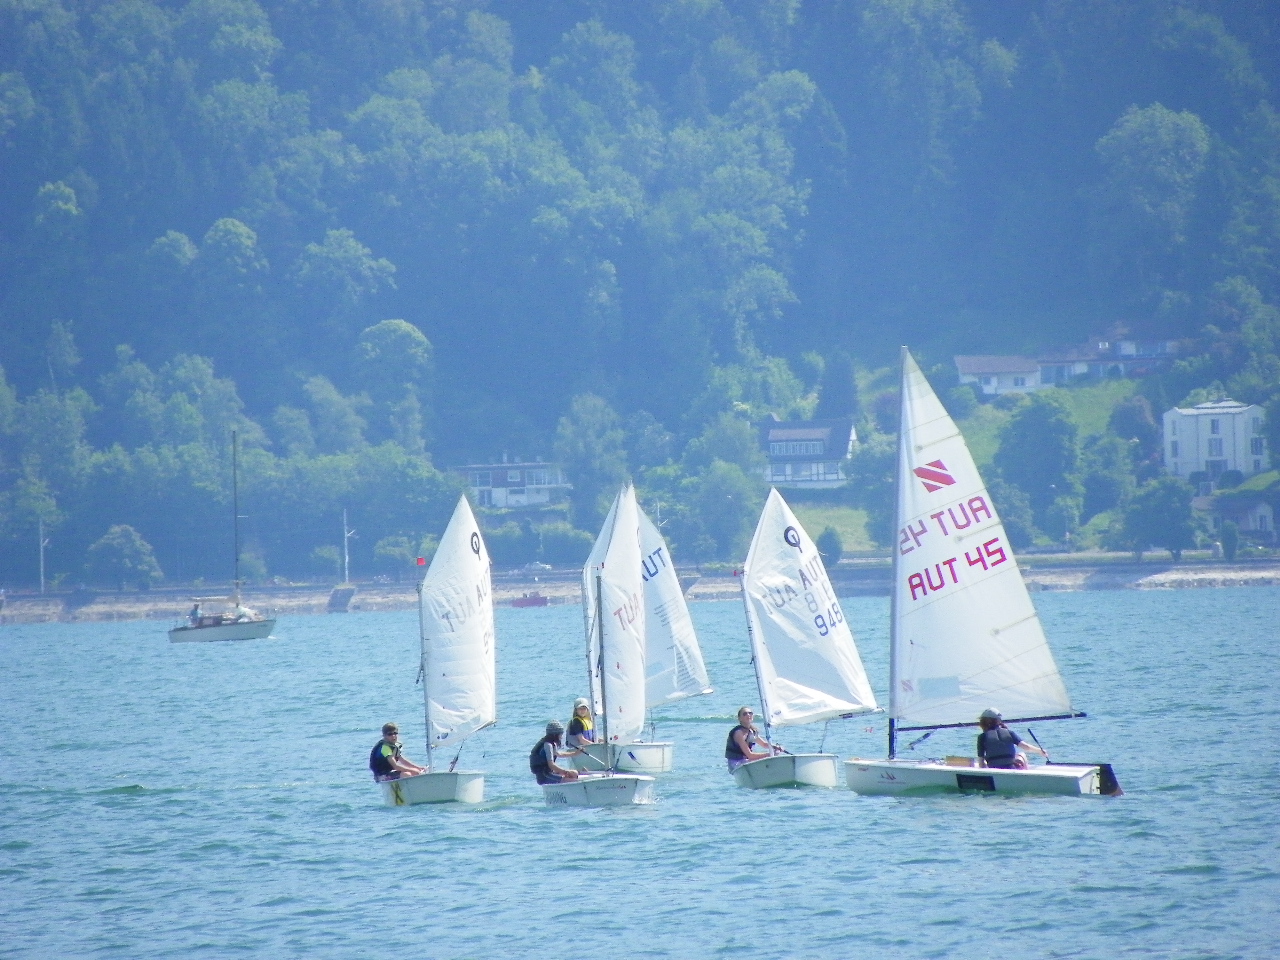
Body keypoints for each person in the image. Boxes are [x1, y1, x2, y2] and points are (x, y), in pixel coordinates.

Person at [976, 708, 1048, 769]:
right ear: (999, 720)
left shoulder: (982, 737)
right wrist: (1040, 751)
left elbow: (981, 762)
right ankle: (1025, 776)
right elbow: (1026, 747)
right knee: (1021, 755)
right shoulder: (1009, 732)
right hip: (1011, 768)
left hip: (994, 769)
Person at [725, 706, 784, 772]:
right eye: (745, 714)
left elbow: (764, 744)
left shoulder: (752, 731)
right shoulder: (738, 733)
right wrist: (770, 754)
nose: (748, 715)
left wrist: (776, 747)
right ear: (739, 718)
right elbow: (750, 756)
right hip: (735, 764)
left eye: (750, 713)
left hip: (746, 761)